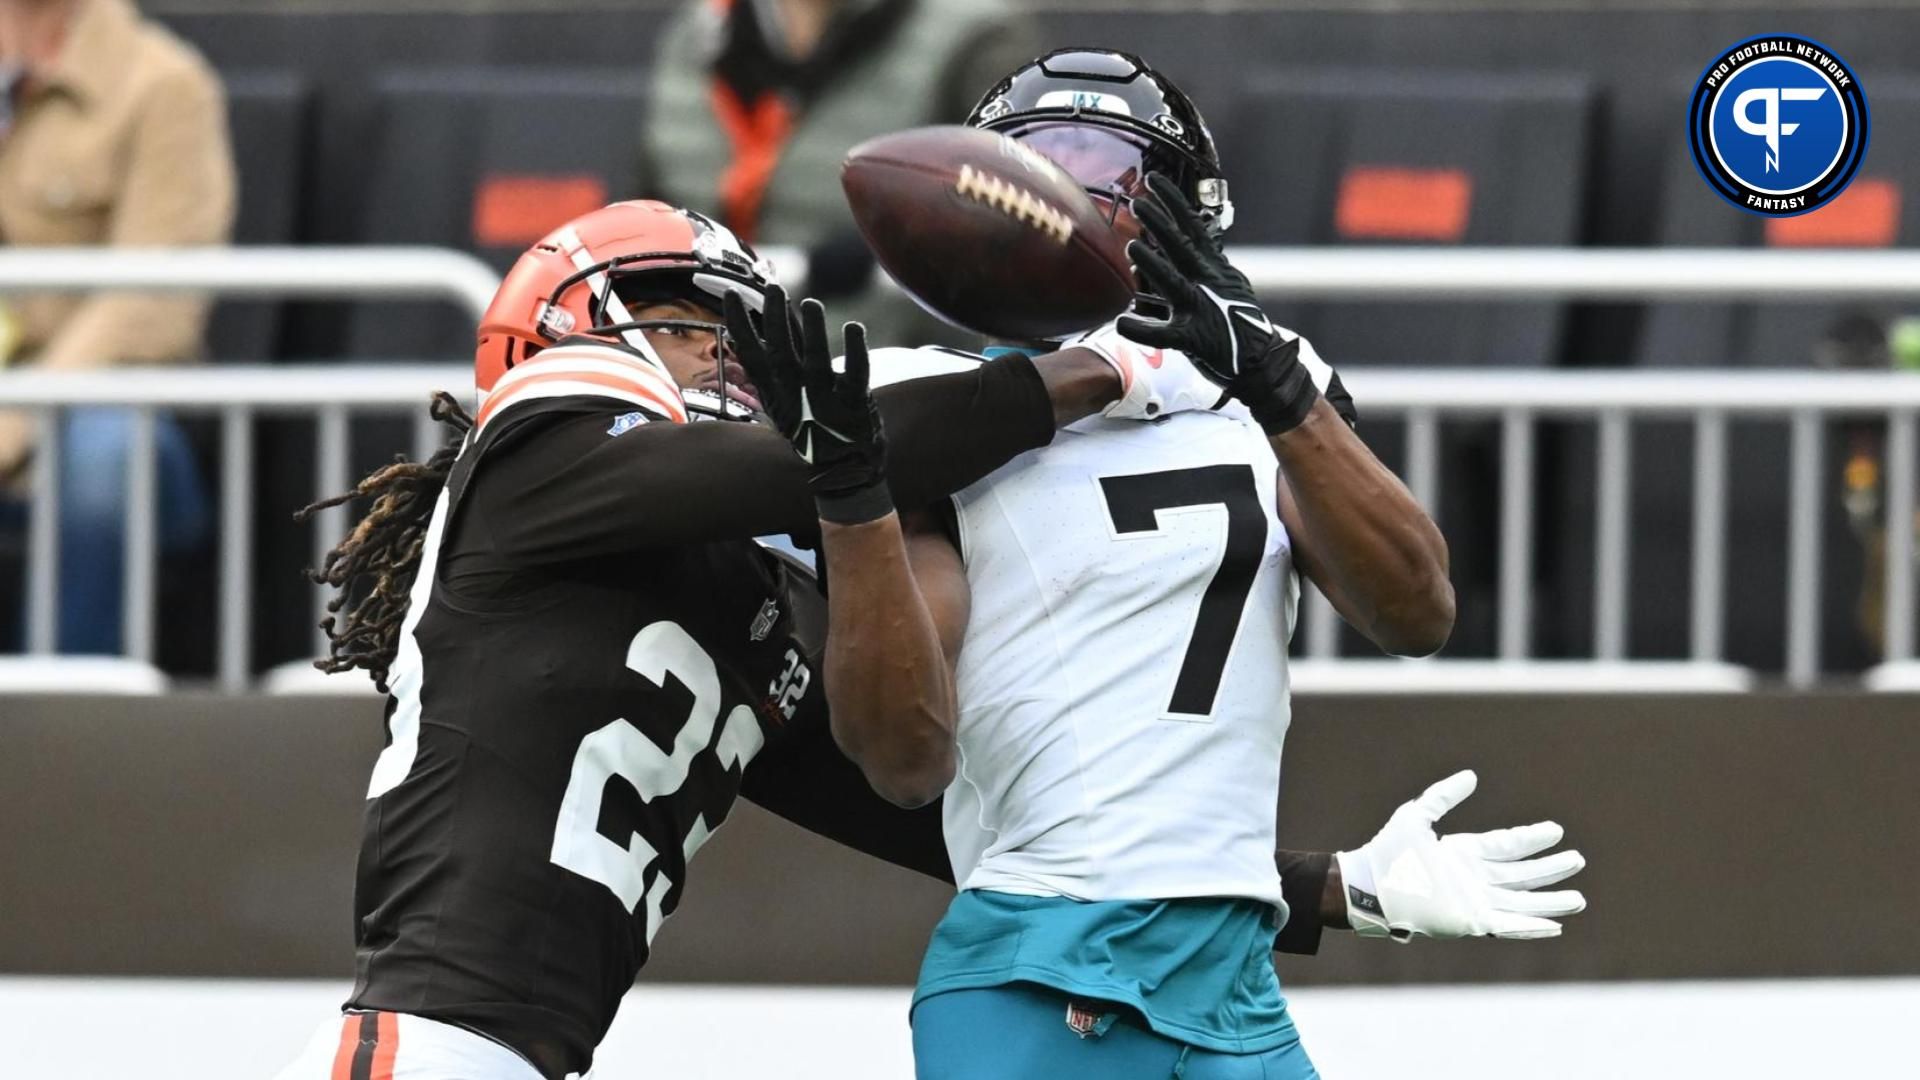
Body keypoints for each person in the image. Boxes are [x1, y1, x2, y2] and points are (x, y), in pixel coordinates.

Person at [738, 50, 1587, 1078]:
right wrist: (858, 499)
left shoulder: (1264, 389)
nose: (1074, 198)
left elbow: (1417, 612)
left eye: (1111, 170)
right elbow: (902, 758)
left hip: (1234, 984)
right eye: (1040, 166)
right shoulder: (941, 410)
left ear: (1189, 216)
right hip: (1046, 971)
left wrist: (1273, 385)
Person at [0, 0, 234, 653]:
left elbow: (150, 300)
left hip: (112, 401)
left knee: (104, 466)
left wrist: (18, 417)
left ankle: (60, 729)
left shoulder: (164, 83)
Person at [639, 0, 1039, 344]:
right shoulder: (696, 34)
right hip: (711, 374)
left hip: (897, 387)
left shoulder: (976, 37)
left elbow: (1016, 225)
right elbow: (647, 216)